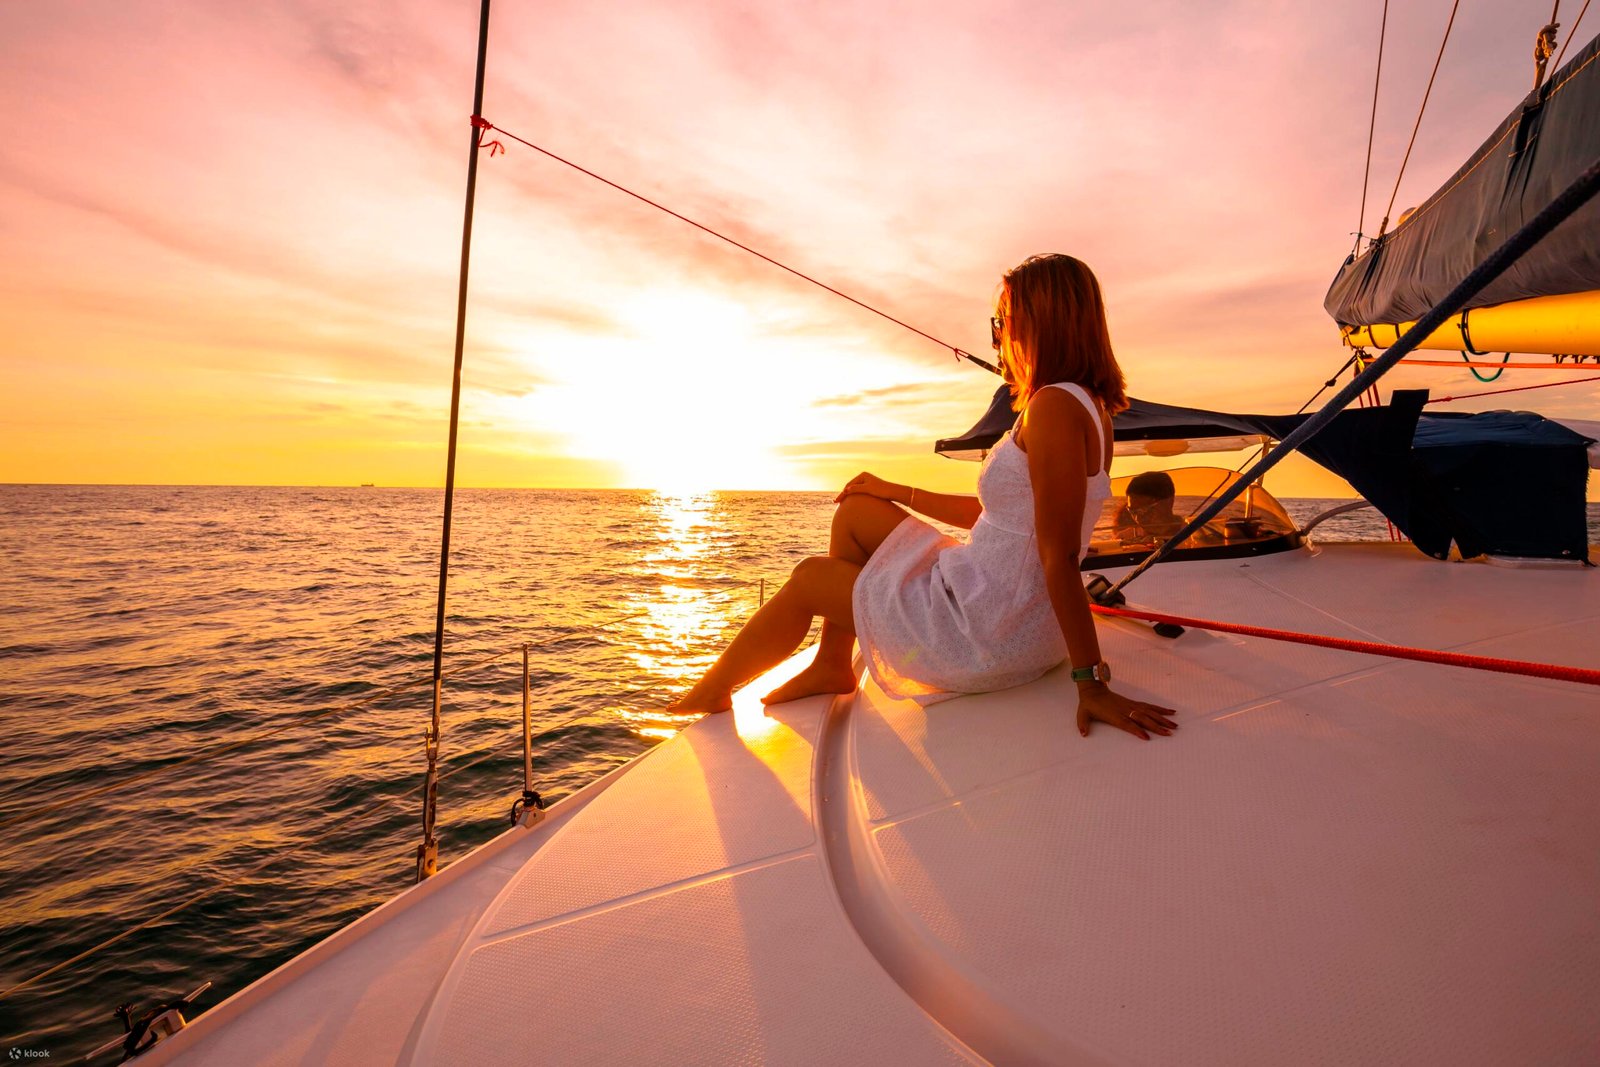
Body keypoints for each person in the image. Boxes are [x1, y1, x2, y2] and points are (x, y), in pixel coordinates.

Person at [668, 254, 1178, 741]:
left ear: (1040, 322)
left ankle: (711, 690)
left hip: (989, 631)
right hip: (1000, 603)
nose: (999, 335)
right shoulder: (1084, 406)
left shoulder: (1054, 408)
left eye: (1003, 321)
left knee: (809, 578)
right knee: (857, 512)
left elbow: (1060, 554)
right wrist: (897, 492)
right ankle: (831, 663)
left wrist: (1091, 682)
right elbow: (1008, 517)